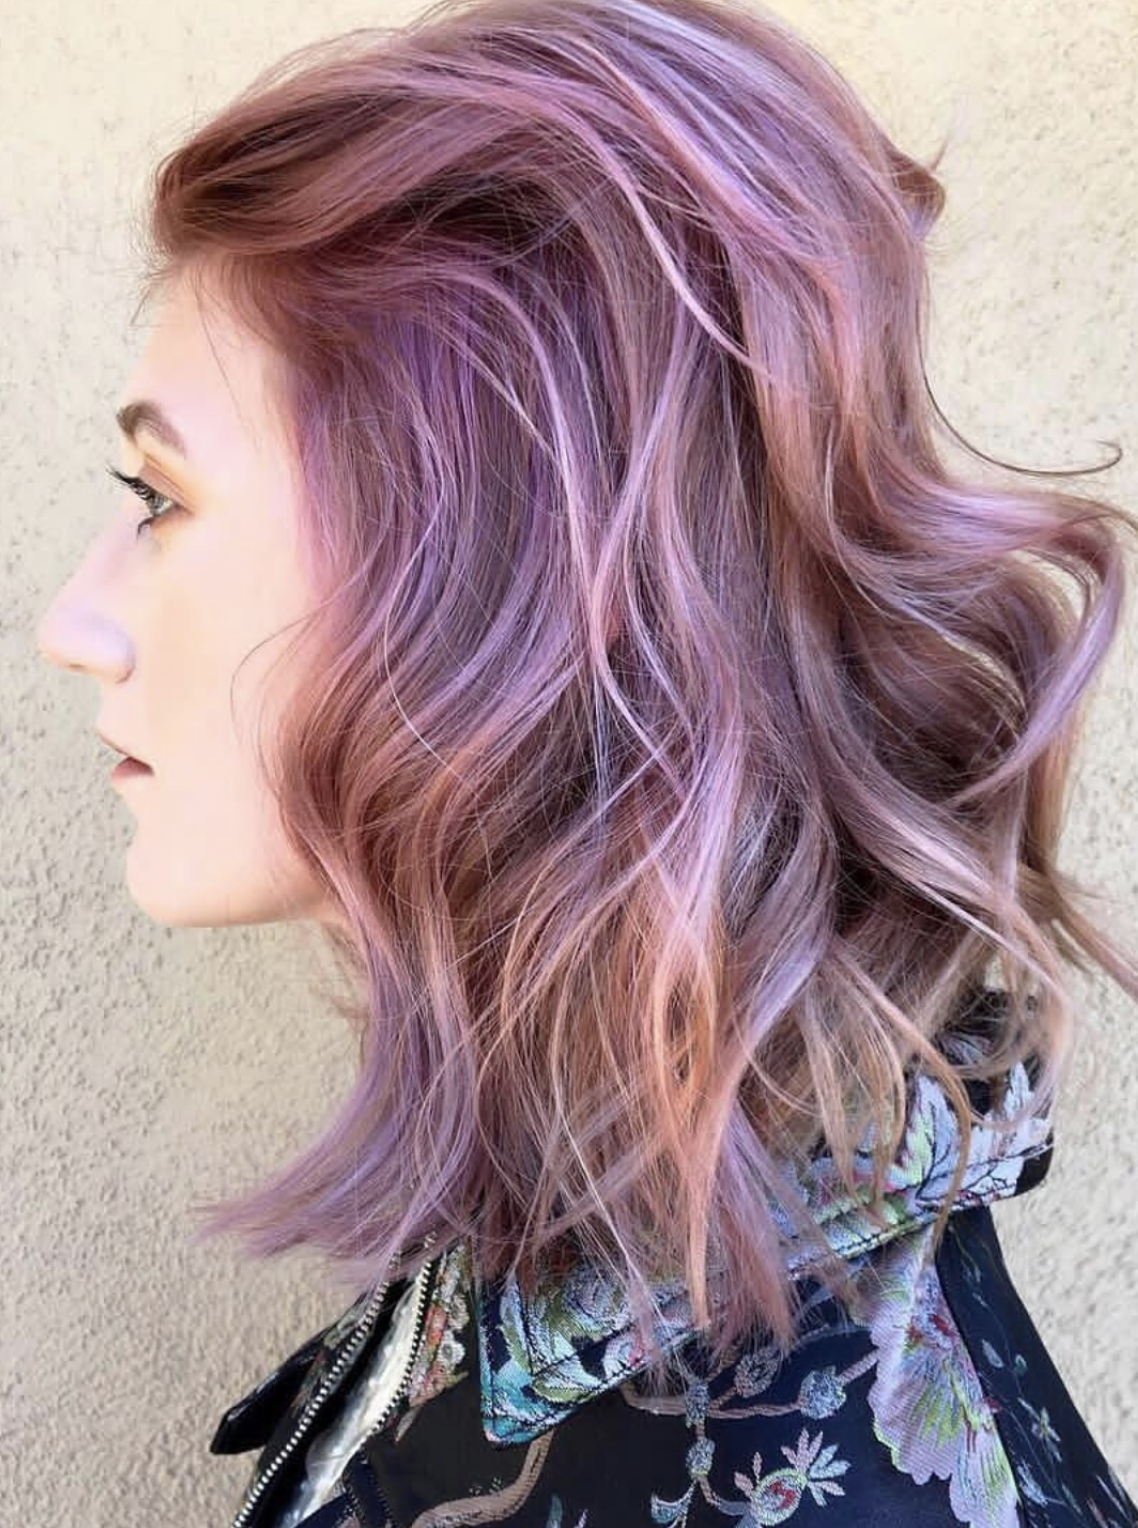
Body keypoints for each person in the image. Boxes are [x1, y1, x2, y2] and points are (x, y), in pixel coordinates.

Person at [34, 0, 1138, 1522]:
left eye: (156, 498)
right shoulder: (635, 1204)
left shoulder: (797, 1476)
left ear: (493, 581)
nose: (73, 624)